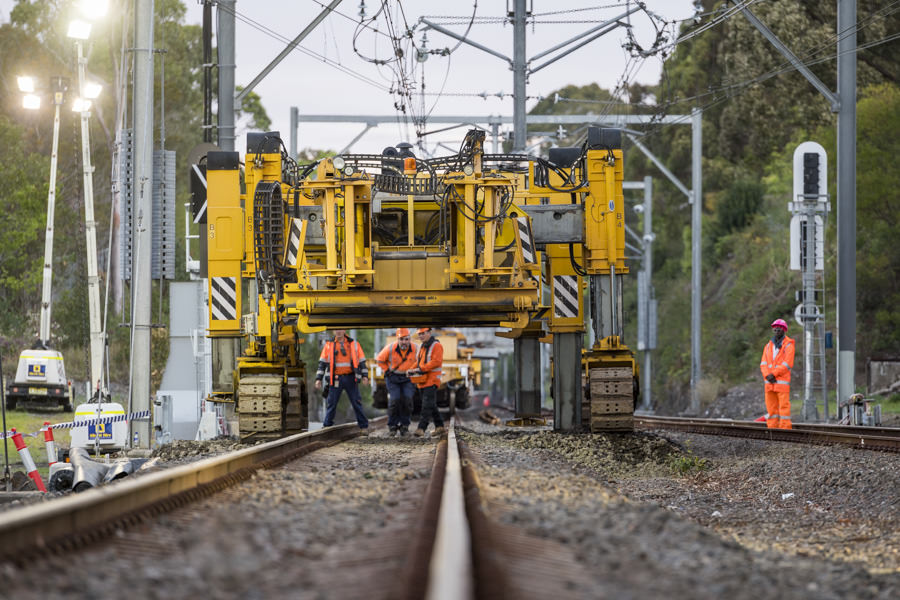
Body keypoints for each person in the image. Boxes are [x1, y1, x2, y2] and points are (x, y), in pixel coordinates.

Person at [315, 329, 370, 434]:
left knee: (356, 403)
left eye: (340, 329)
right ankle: (327, 426)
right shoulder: (328, 345)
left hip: (351, 378)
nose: (338, 331)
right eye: (336, 329)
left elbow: (362, 362)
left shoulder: (354, 344)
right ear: (333, 331)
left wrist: (365, 376)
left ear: (344, 330)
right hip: (335, 378)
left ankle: (364, 427)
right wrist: (318, 379)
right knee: (331, 403)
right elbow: (322, 364)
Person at [376, 328, 418, 437]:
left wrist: (416, 370)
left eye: (406, 339)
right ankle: (392, 426)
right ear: (397, 339)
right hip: (393, 378)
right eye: (401, 339)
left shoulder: (416, 348)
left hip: (408, 378)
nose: (404, 342)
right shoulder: (390, 348)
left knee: (407, 400)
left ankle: (405, 426)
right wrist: (386, 370)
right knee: (394, 400)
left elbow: (422, 361)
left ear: (410, 339)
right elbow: (379, 360)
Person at [759, 318, 795, 430]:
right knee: (771, 409)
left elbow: (787, 364)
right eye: (775, 328)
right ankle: (772, 429)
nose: (777, 330)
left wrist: (773, 374)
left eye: (779, 328)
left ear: (784, 330)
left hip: (781, 383)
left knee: (783, 408)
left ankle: (784, 429)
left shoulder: (789, 345)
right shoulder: (768, 346)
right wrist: (767, 376)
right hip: (769, 383)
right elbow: (763, 364)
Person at [409, 327, 445, 437]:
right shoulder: (422, 346)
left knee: (426, 405)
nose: (420, 336)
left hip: (432, 380)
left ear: (429, 333)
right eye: (419, 334)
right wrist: (411, 369)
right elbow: (418, 362)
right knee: (431, 405)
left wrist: (420, 369)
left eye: (423, 333)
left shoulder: (436, 345)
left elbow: (436, 362)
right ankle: (440, 426)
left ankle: (421, 428)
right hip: (422, 381)